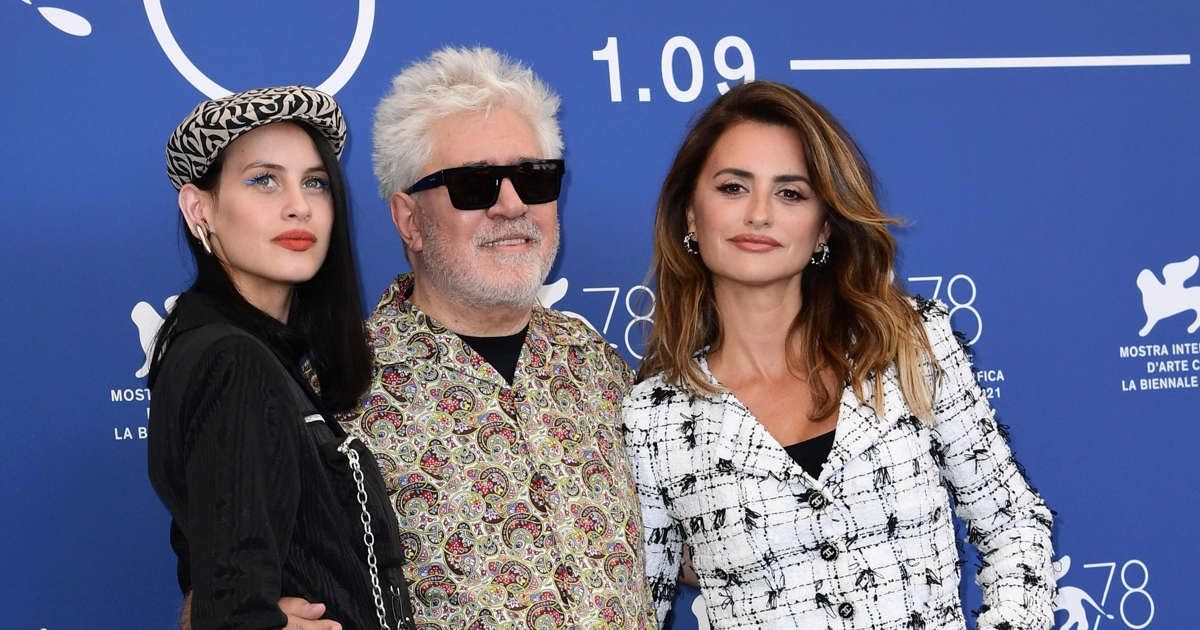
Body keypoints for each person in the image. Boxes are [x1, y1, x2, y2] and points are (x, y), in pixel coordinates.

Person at [623, 80, 1055, 629]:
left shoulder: (908, 344)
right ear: (690, 213)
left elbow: (1013, 521)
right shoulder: (654, 421)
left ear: (824, 226)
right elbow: (640, 611)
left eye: (790, 193)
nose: (759, 214)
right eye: (733, 188)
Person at [332, 46, 655, 628]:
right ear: (409, 220)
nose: (511, 205)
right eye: (474, 184)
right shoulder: (338, 393)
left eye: (534, 178)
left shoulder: (599, 369)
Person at [147, 86, 415, 630]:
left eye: (315, 182)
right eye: (263, 180)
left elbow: (206, 560)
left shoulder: (248, 351)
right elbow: (230, 606)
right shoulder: (231, 359)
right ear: (200, 208)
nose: (298, 204)